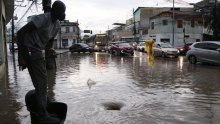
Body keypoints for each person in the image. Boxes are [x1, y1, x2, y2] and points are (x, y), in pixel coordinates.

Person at [17, 1, 66, 123]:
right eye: (62, 11)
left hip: (39, 53)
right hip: (30, 52)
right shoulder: (43, 18)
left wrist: (50, 51)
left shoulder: (57, 25)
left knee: (42, 85)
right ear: (55, 10)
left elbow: (48, 43)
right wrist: (22, 57)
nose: (64, 14)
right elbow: (20, 33)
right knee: (41, 85)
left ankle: (42, 112)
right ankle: (43, 115)